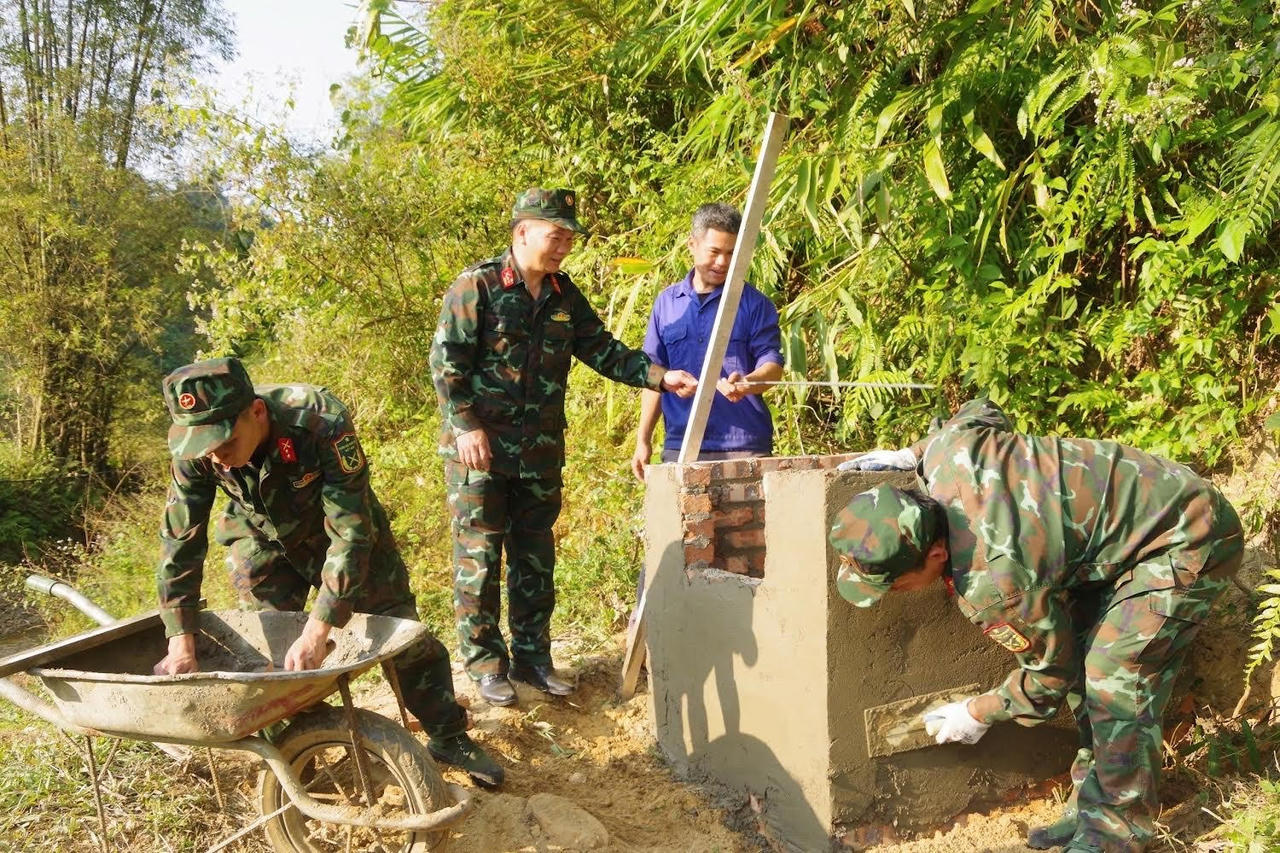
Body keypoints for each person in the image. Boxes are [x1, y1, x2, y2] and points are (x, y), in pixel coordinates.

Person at [830, 397, 1243, 853]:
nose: (892, 594)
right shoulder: (947, 453)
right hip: (1126, 535)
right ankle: (1093, 808)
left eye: (894, 583)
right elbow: (982, 410)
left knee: (1114, 674)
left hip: (1185, 536)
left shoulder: (995, 580)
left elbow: (1049, 676)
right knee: (1088, 666)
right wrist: (914, 452)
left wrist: (976, 713)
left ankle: (1114, 835)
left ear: (935, 554)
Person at [154, 357, 505, 787]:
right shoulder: (198, 450)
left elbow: (351, 531)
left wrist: (319, 628)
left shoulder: (317, 419)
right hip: (261, 538)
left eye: (224, 444)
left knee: (402, 635)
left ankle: (449, 735)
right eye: (204, 448)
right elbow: (180, 542)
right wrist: (180, 639)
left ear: (257, 413)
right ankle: (302, 754)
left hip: (340, 532)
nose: (216, 459)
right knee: (266, 656)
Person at [429, 187, 698, 707]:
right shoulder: (477, 286)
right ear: (523, 231)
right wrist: (466, 427)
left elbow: (603, 350)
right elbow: (446, 365)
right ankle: (486, 665)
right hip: (479, 455)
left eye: (569, 239)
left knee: (534, 560)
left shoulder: (561, 295)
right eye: (556, 236)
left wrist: (663, 378)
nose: (563, 248)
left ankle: (533, 659)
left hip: (539, 454)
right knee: (479, 561)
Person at [630, 203, 783, 479]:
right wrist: (643, 439)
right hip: (682, 447)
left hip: (745, 447)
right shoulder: (666, 304)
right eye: (714, 252)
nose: (722, 262)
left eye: (731, 254)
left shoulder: (755, 305)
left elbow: (773, 367)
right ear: (692, 244)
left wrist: (748, 383)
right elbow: (652, 375)